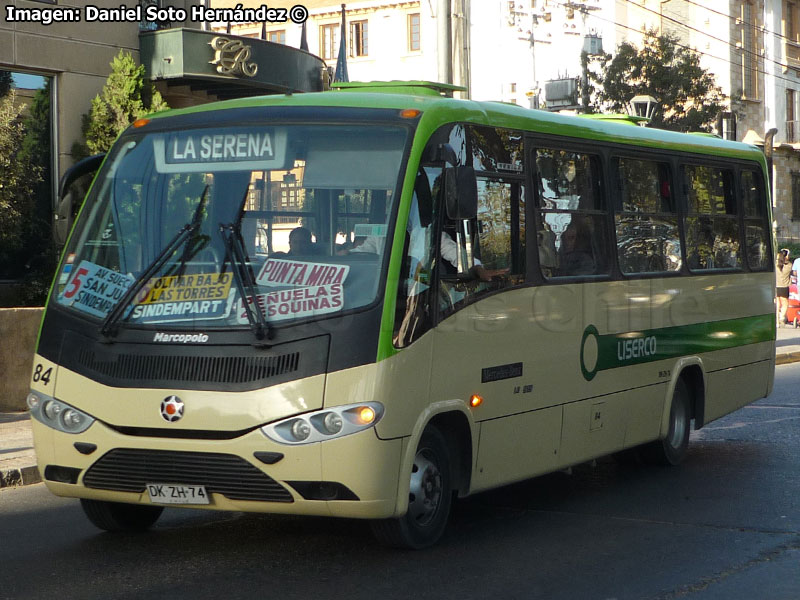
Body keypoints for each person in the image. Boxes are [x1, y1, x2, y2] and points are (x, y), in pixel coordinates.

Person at [776, 249, 792, 326]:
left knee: (777, 302)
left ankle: (776, 318)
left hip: (776, 285)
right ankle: (782, 317)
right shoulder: (789, 266)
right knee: (785, 302)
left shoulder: (776, 265)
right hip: (784, 286)